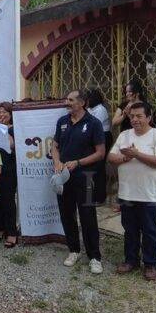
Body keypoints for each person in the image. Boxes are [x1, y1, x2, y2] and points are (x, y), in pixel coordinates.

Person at [108, 102, 156, 281]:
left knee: (149, 230)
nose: (134, 120)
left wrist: (136, 155)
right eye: (132, 116)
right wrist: (126, 157)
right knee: (130, 230)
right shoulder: (124, 135)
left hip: (149, 193)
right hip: (127, 192)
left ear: (149, 117)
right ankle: (131, 260)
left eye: (139, 116)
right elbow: (112, 157)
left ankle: (151, 264)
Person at [51, 90, 106, 274]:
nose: (67, 102)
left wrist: (79, 162)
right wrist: (57, 161)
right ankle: (74, 250)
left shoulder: (93, 123)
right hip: (64, 178)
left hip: (86, 177)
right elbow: (55, 145)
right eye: (67, 99)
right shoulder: (62, 122)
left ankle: (94, 257)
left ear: (82, 103)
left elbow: (100, 153)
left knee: (87, 217)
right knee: (67, 214)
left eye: (71, 100)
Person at [0, 102, 19, 247]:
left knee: (8, 201)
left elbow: (13, 146)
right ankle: (0, 228)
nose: (1, 115)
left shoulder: (14, 129)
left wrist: (5, 132)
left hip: (9, 170)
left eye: (4, 112)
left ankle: (11, 232)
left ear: (10, 114)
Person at [86, 89, 112, 208]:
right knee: (94, 167)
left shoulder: (100, 109)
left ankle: (100, 197)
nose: (87, 101)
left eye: (88, 99)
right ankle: (93, 195)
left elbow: (92, 124)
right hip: (94, 138)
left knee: (99, 167)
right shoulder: (91, 109)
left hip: (103, 137)